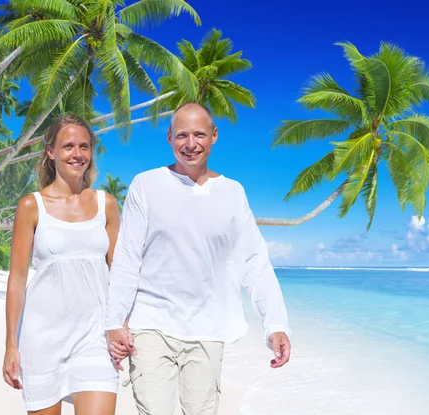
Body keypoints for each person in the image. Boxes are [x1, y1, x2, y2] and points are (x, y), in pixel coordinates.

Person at [105, 103, 292, 415]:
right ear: (169, 138)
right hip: (151, 324)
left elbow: (254, 262)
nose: (190, 144)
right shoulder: (146, 185)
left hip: (208, 329)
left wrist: (275, 324)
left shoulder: (233, 192)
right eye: (181, 135)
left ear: (214, 136)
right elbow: (127, 257)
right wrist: (114, 322)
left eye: (199, 135)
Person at [3, 115, 123, 415]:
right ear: (51, 152)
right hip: (42, 341)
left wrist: (120, 326)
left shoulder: (106, 204)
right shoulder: (31, 206)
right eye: (68, 146)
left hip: (94, 339)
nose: (77, 154)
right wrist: (10, 345)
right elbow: (17, 279)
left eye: (84, 146)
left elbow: (120, 274)